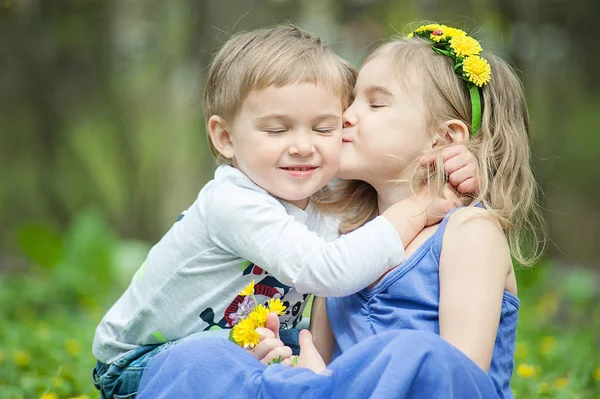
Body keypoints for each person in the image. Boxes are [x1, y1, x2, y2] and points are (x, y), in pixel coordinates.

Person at [135, 23, 546, 399]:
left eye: (375, 104)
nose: (345, 116)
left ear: (443, 137)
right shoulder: (345, 239)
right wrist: (289, 363)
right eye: (351, 101)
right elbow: (325, 366)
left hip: (427, 384)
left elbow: (458, 377)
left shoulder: (468, 231)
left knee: (417, 354)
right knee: (201, 360)